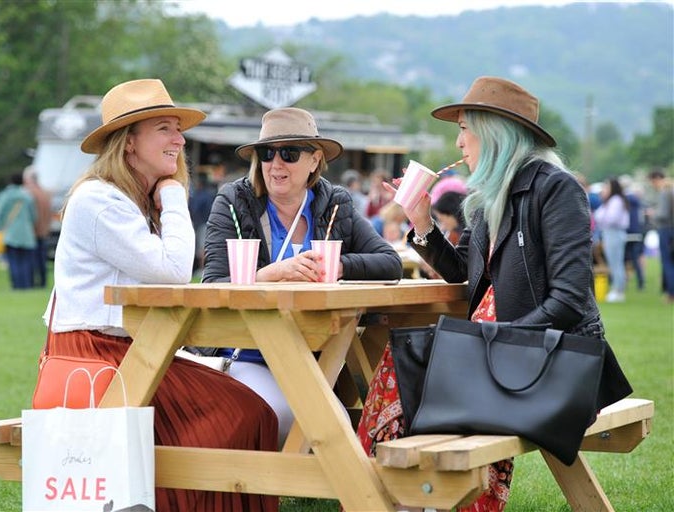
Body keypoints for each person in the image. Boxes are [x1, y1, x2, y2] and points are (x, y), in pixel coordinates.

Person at [357, 77, 632, 511]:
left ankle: (423, 500)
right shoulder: (488, 197)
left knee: (423, 379)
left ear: (494, 131)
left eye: (465, 128)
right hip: (496, 352)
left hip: (550, 359)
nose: (458, 141)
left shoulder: (555, 189)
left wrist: (496, 344)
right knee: (398, 365)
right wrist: (421, 220)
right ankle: (383, 499)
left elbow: (569, 300)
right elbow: (464, 273)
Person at [41, 78, 278, 511]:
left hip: (134, 347)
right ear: (129, 143)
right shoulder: (100, 199)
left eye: (178, 128)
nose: (179, 139)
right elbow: (173, 273)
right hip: (98, 354)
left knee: (250, 410)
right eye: (165, 128)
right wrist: (173, 196)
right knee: (246, 412)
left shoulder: (132, 198)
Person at [202, 107, 402, 445]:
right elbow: (213, 285)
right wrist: (272, 274)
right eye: (267, 153)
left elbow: (390, 262)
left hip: (310, 357)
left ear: (315, 160)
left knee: (331, 430)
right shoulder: (235, 200)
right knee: (316, 429)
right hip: (245, 352)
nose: (276, 163)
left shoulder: (334, 202)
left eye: (289, 153)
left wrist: (339, 267)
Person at [0, 172, 38, 289]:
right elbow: (34, 216)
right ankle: (26, 285)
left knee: (13, 261)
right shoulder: (27, 196)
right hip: (27, 234)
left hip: (11, 233)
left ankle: (17, 285)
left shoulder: (5, 195)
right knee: (26, 261)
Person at [594, 177, 630, 303]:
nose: (604, 190)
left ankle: (618, 290)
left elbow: (610, 218)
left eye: (606, 187)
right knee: (613, 262)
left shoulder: (616, 201)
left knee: (616, 263)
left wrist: (602, 219)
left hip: (614, 232)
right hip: (610, 233)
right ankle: (617, 288)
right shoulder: (609, 201)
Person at [22, 166, 52, 288]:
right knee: (42, 259)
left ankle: (31, 283)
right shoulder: (45, 193)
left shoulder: (29, 193)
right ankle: (43, 282)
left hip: (33, 231)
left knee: (31, 260)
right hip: (44, 231)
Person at [647, 168, 674, 302]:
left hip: (665, 229)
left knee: (667, 262)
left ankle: (671, 293)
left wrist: (652, 214)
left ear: (657, 179)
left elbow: (663, 214)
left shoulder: (665, 192)